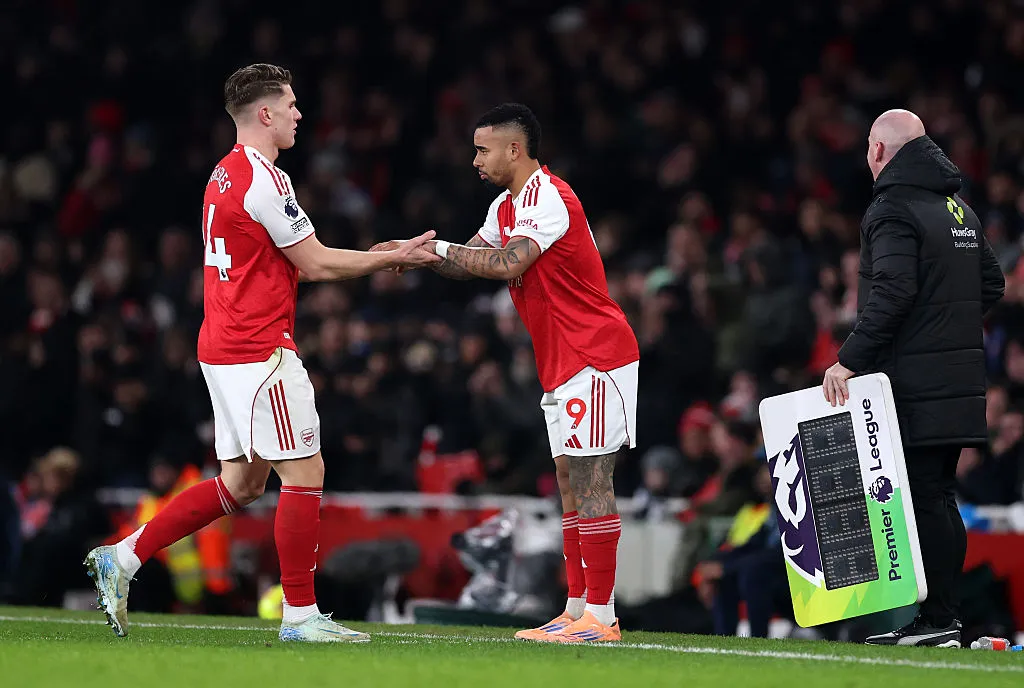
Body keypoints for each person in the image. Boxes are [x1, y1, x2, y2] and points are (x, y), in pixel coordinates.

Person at [84, 63, 440, 642]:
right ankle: (299, 616)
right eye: (293, 105)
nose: (301, 114)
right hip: (258, 349)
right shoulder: (265, 181)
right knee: (306, 470)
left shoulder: (223, 174)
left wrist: (378, 252)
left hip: (221, 345)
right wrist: (395, 259)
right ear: (266, 113)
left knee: (243, 483)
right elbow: (317, 262)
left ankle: (122, 558)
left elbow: (282, 259)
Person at [374, 103, 640, 643]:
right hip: (561, 360)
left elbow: (505, 264)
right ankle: (575, 608)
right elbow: (469, 259)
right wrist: (414, 254)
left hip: (595, 354)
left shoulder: (551, 198)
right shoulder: (505, 206)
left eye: (482, 149)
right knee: (568, 482)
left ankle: (603, 615)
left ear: (514, 149)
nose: (475, 159)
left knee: (592, 480)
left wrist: (441, 250)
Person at [821, 109, 1005, 647]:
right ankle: (938, 620)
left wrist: (848, 359)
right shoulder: (956, 208)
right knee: (936, 494)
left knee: (925, 495)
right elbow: (989, 284)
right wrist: (945, 330)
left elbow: (894, 291)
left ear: (879, 151)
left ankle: (941, 621)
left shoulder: (892, 208)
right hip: (957, 376)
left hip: (916, 382)